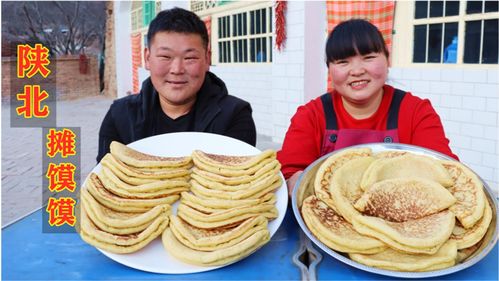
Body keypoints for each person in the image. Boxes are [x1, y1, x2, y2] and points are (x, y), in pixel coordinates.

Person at [277, 19, 458, 195]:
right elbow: (289, 173)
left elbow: (446, 172)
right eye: (342, 62)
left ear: (388, 60)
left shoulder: (415, 111)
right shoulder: (311, 115)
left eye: (368, 57)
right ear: (329, 69)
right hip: (324, 217)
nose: (356, 71)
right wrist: (293, 182)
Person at [97, 7, 256, 162]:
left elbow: (237, 183)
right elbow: (104, 179)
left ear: (207, 59)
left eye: (189, 58)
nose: (177, 70)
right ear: (147, 58)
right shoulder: (120, 116)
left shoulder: (235, 115)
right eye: (165, 56)